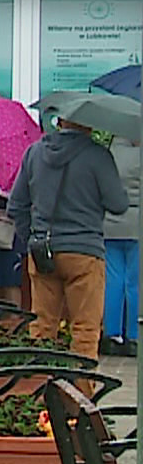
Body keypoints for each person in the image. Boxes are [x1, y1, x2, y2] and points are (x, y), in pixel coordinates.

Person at [9, 112, 127, 359]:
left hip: (44, 251)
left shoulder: (34, 152)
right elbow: (118, 204)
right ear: (89, 125)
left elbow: (16, 205)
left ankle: (40, 389)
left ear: (60, 122)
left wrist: (33, 236)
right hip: (85, 252)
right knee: (85, 330)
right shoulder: (98, 156)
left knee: (42, 327)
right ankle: (80, 394)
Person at [102, 134, 141, 358]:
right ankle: (134, 337)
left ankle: (113, 335)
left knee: (113, 280)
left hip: (111, 223)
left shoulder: (109, 153)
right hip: (137, 225)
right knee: (134, 283)